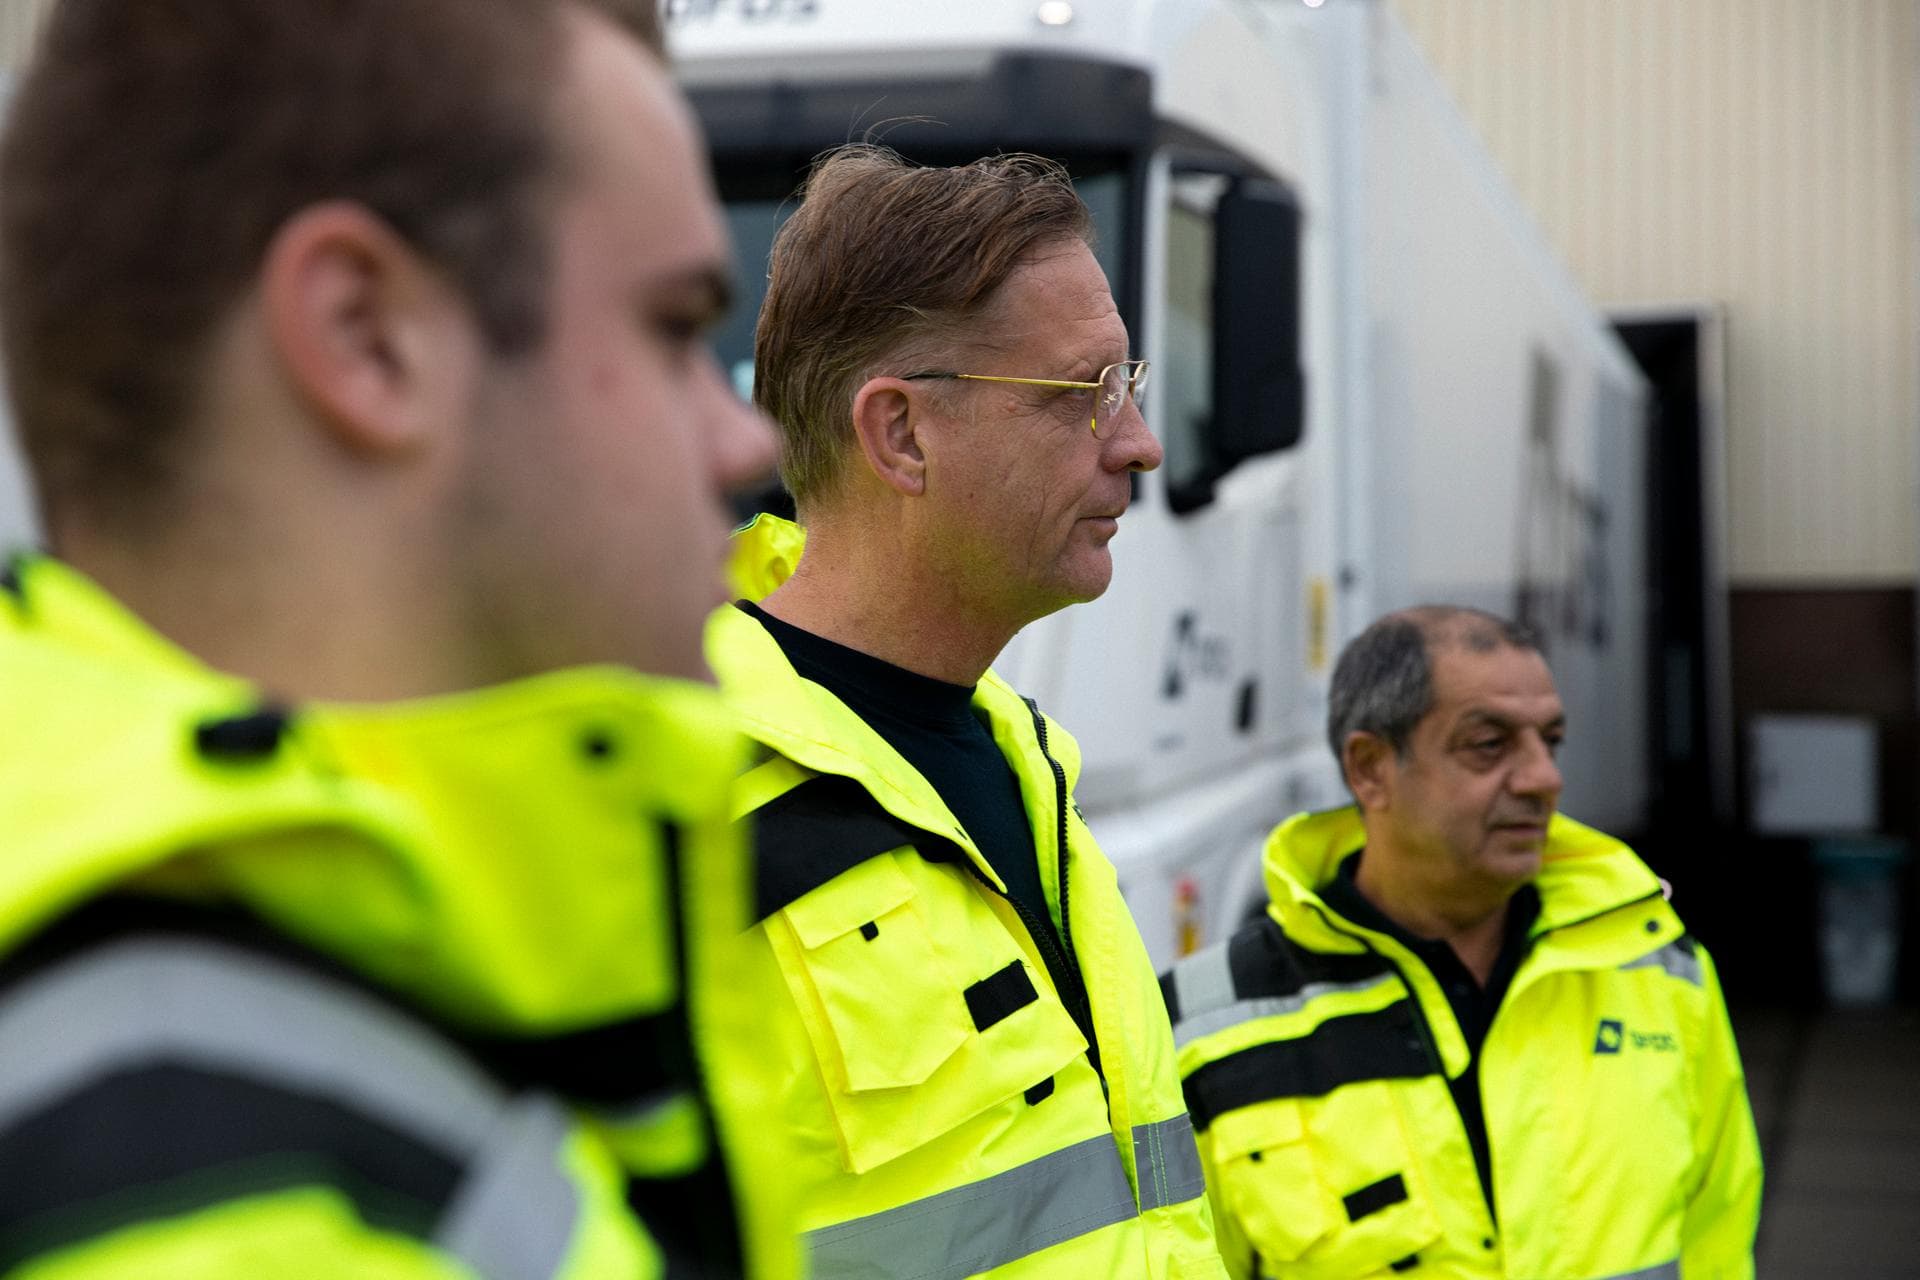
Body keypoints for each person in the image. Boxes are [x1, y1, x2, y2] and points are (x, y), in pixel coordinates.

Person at [0, 1, 798, 1275]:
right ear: (366, 338)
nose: (746, 438)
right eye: (671, 326)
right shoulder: (213, 1181)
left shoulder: (251, 1004)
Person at [706, 146, 1225, 1279]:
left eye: (1127, 386)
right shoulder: (684, 807)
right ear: (900, 434)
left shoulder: (1024, 760)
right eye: (1086, 393)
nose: (1138, 442)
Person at [1162, 607, 1763, 1279]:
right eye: (1489, 744)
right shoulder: (1202, 1028)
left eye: (1550, 741)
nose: (1543, 778)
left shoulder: (1660, 971)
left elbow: (1720, 1235)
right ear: (1370, 769)